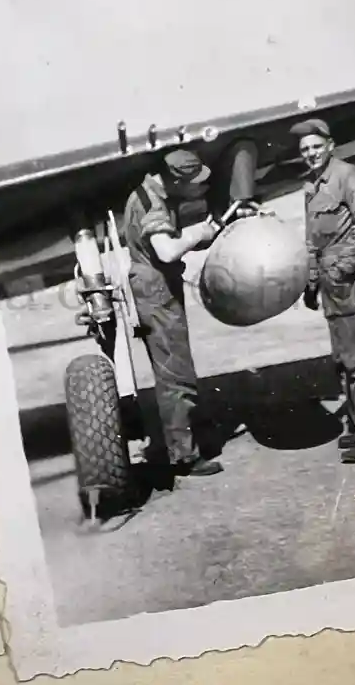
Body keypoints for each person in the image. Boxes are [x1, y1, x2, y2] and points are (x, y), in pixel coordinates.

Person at [290, 118, 355, 464]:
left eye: (316, 147)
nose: (310, 154)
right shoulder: (312, 185)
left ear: (330, 145)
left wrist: (340, 267)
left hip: (352, 281)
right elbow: (312, 242)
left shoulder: (347, 176)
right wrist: (310, 282)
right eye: (305, 149)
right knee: (344, 360)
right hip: (331, 286)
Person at [122, 149, 226, 477]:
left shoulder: (144, 192)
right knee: (175, 374)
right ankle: (184, 456)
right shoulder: (153, 204)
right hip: (157, 293)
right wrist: (197, 234)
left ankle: (184, 438)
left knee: (172, 369)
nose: (197, 190)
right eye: (193, 184)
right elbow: (166, 251)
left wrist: (200, 237)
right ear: (175, 179)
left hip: (152, 286)